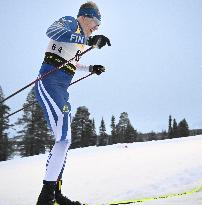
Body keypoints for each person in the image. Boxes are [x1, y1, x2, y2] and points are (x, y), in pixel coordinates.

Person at [34, 1, 111, 205]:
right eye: (95, 22)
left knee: (65, 139)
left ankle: (56, 193)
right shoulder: (70, 23)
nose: (96, 27)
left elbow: (71, 61)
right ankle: (46, 197)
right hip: (49, 83)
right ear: (85, 17)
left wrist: (90, 68)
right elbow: (51, 31)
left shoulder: (78, 39)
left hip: (62, 90)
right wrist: (88, 40)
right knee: (63, 139)